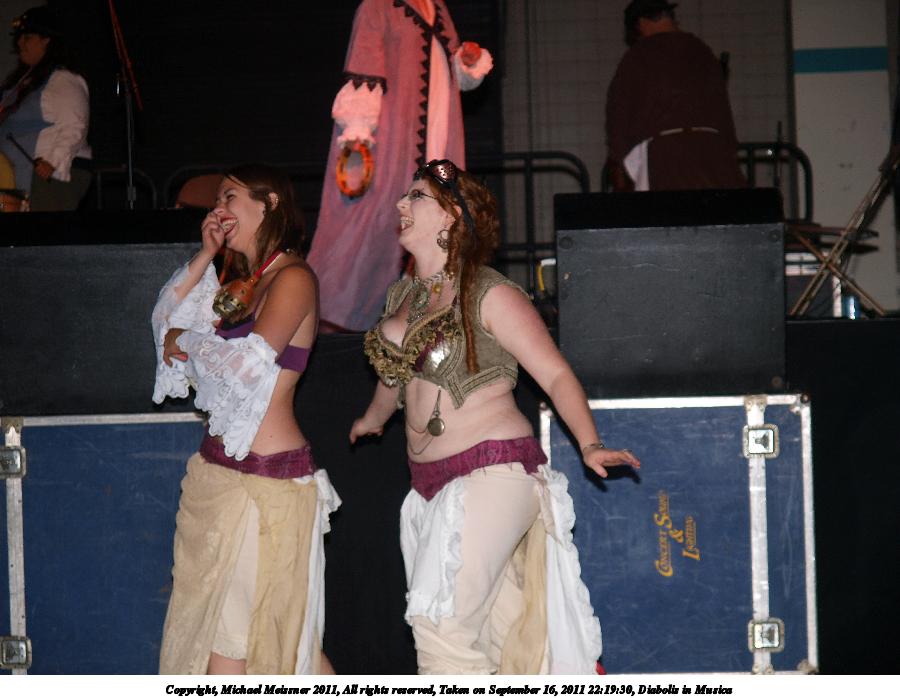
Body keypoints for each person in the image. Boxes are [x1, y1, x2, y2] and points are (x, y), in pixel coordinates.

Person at [350, 159, 641, 674]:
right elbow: (394, 380)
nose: (400, 204)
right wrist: (373, 419)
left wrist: (589, 443)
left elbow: (554, 375)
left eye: (416, 196)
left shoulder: (488, 291)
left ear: (451, 216)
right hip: (430, 486)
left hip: (491, 474)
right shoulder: (404, 295)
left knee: (442, 629)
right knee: (503, 644)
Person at [151, 164, 340, 675]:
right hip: (219, 476)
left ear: (269, 202)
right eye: (217, 200)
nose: (219, 209)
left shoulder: (293, 278)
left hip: (266, 484)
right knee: (251, 642)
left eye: (229, 196)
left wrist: (187, 343)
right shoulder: (245, 283)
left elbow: (246, 365)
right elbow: (165, 323)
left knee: (254, 645)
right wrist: (206, 254)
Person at [307, 0, 493, 332]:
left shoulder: (437, 7)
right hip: (390, 142)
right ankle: (335, 326)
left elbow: (453, 70)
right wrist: (359, 134)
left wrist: (466, 61)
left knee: (439, 227)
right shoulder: (378, 6)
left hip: (439, 137)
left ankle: (424, 323)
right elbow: (364, 70)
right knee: (372, 229)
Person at [605, 0, 745, 192]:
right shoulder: (702, 51)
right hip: (715, 155)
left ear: (640, 24)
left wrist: (618, 161)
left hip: (666, 159)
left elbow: (619, 113)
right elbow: (723, 111)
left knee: (669, 210)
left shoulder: (637, 56)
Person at [0, 5, 92, 211]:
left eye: (27, 37)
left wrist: (54, 162)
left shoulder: (63, 80)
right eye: (19, 37)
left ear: (46, 40)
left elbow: (75, 125)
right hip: (16, 177)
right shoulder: (21, 83)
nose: (20, 43)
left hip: (46, 177)